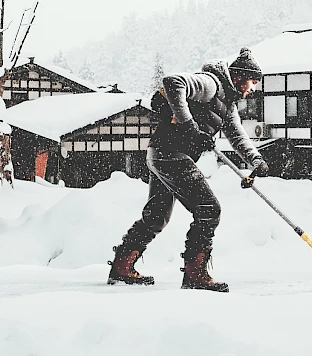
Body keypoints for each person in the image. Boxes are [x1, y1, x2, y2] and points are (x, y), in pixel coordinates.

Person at [107, 47, 269, 292]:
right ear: (239, 77)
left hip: (161, 153)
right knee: (208, 209)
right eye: (253, 81)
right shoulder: (211, 84)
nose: (253, 88)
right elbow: (173, 82)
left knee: (156, 217)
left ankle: (121, 267)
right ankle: (195, 274)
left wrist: (256, 159)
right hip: (170, 153)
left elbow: (238, 138)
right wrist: (190, 127)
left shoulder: (229, 105)